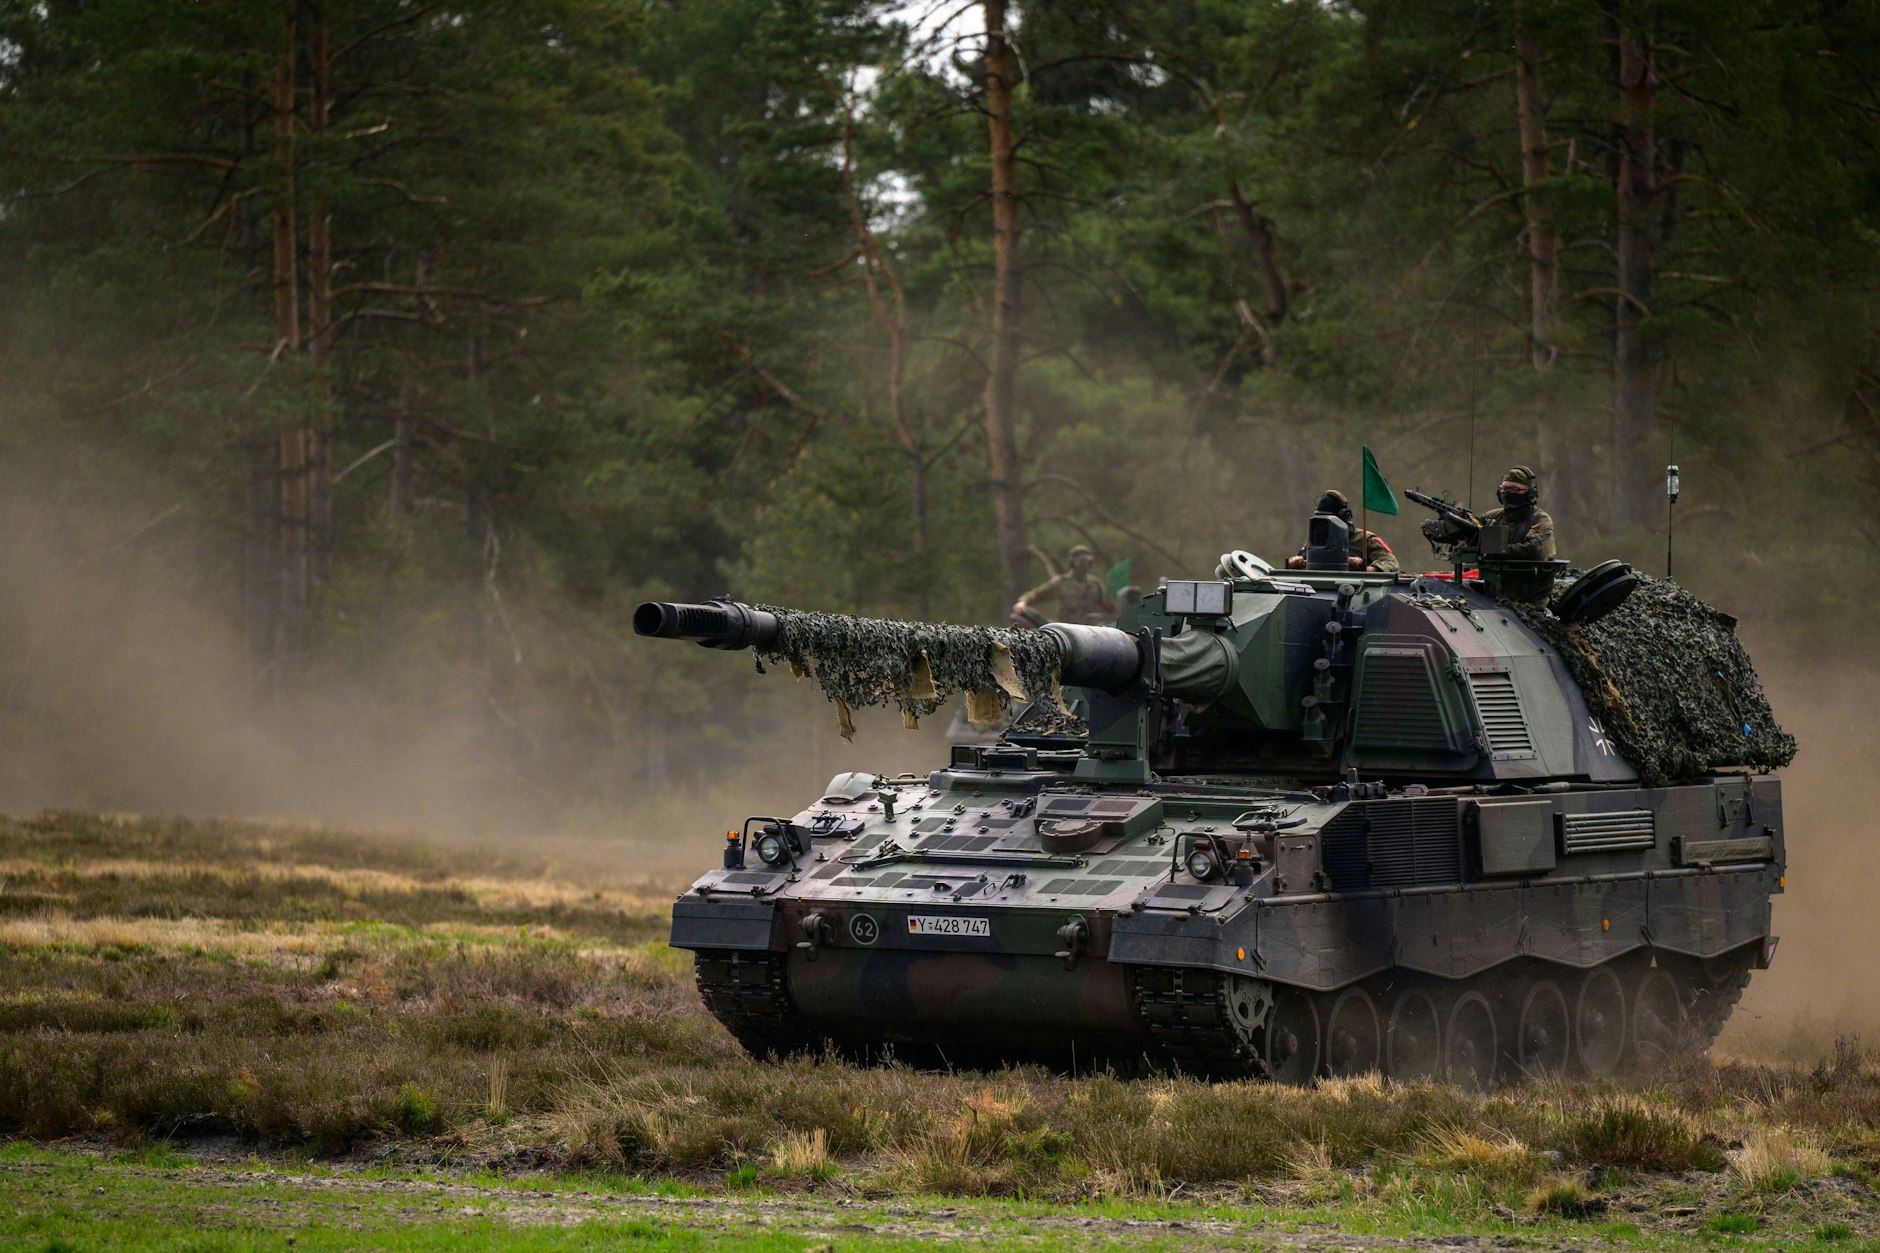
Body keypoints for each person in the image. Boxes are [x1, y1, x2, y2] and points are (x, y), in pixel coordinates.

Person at [1479, 465, 1556, 601]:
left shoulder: (1540, 519)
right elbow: (1473, 538)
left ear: (1530, 493)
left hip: (1530, 600)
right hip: (1493, 599)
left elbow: (1534, 551)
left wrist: (1497, 550)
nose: (1508, 493)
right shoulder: (1492, 517)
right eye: (1504, 489)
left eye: (1515, 489)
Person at [1284, 489, 1399, 572]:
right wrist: (1292, 564)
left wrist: (1365, 568)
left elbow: (1392, 564)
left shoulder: (1365, 540)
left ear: (1343, 517)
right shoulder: (1316, 542)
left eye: (1328, 519)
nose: (1323, 525)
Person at [1013, 544, 1112, 622]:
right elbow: (1037, 594)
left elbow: (1108, 605)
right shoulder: (1061, 583)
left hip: (1091, 631)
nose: (1084, 564)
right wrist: (1023, 602)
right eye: (1080, 561)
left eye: (1086, 561)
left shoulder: (1095, 584)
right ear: (1072, 563)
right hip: (1067, 632)